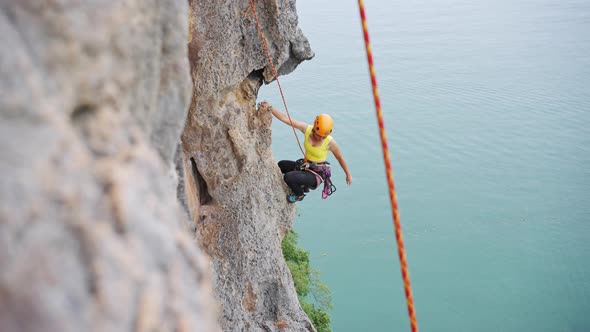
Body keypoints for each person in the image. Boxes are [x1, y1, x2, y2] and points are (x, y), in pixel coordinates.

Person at [259, 100, 352, 203]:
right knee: (281, 165)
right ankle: (302, 184)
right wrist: (271, 108)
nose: (321, 138)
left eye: (324, 137)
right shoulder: (306, 129)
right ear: (314, 129)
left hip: (316, 173)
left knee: (288, 177)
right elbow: (286, 119)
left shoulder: (330, 143)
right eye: (319, 135)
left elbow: (340, 158)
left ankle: (300, 195)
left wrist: (348, 174)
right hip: (305, 165)